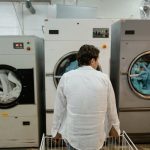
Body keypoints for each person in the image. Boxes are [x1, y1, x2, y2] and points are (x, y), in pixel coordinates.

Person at [51, 44, 120, 150]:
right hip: (96, 137)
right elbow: (111, 107)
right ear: (93, 60)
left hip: (74, 137)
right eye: (97, 60)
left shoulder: (66, 77)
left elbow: (59, 109)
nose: (98, 63)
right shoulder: (104, 78)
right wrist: (115, 128)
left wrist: (55, 131)